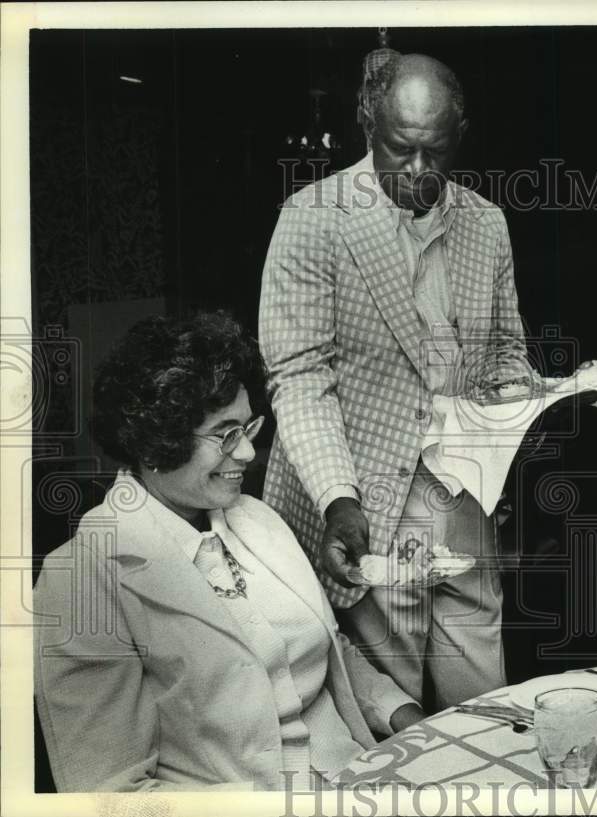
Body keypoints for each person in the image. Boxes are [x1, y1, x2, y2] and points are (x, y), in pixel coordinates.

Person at [33, 313, 424, 792]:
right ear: (157, 440)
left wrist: (406, 718)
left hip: (362, 779)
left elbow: (322, 647)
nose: (246, 454)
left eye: (248, 428)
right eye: (225, 435)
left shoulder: (257, 520)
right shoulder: (82, 577)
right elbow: (111, 791)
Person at [259, 53, 532, 710]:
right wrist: (338, 500)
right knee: (393, 711)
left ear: (459, 136)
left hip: (462, 499)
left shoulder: (488, 224)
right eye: (399, 149)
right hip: (362, 503)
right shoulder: (313, 218)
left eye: (434, 153)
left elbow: (505, 359)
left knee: (485, 703)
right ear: (366, 126)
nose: (418, 171)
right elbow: (299, 379)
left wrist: (525, 422)